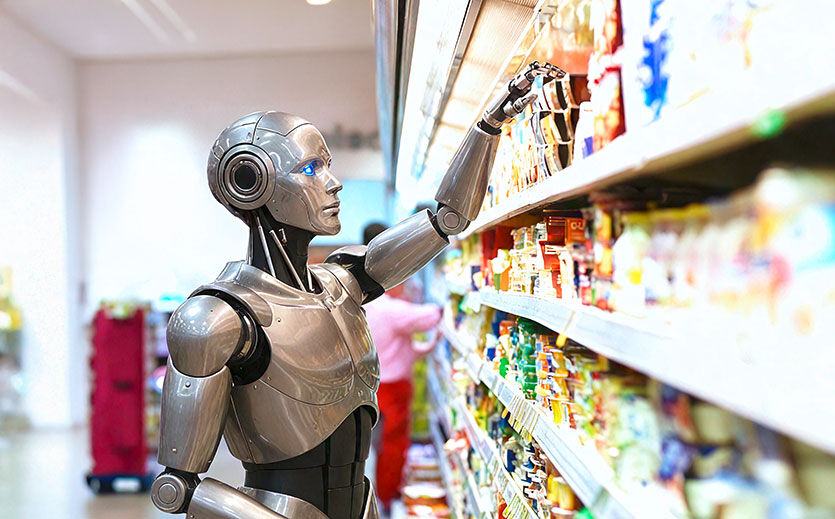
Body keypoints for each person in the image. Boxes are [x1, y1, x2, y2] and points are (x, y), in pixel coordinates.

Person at [150, 61, 562, 519]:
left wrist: (488, 127)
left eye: (327, 165)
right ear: (252, 183)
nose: (334, 182)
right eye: (311, 168)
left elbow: (444, 220)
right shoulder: (217, 319)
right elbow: (176, 488)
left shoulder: (342, 283)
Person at [362, 223, 441, 510]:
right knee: (393, 446)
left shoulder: (368, 304)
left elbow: (400, 345)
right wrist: (443, 307)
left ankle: (383, 493)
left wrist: (426, 347)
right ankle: (386, 498)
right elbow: (430, 315)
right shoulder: (390, 309)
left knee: (379, 445)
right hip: (392, 389)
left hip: (373, 383)